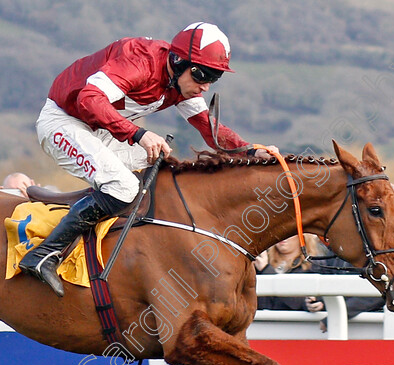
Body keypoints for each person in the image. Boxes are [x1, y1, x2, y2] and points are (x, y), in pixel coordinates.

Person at [20, 22, 279, 296]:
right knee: (124, 187)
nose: (204, 86)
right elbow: (89, 98)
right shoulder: (139, 61)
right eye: (202, 74)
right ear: (179, 61)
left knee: (161, 174)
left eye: (214, 78)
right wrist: (138, 133)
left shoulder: (180, 83)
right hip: (64, 122)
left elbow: (209, 129)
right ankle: (45, 254)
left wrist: (249, 151)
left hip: (102, 128)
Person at [255, 234, 320, 311]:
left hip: (293, 321)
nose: (282, 236)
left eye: (289, 232)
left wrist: (266, 270)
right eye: (279, 231)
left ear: (302, 236)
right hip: (260, 320)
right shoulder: (261, 262)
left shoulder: (313, 265)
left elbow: (298, 303)